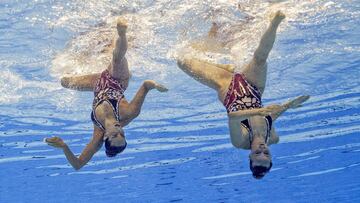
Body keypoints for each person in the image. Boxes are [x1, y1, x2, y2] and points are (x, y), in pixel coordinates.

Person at [176, 11, 309, 179]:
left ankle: (219, 54)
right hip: (254, 88)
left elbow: (232, 117)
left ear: (250, 156)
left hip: (227, 87)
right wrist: (288, 106)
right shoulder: (273, 138)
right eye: (266, 155)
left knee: (181, 60)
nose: (262, 151)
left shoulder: (240, 142)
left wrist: (258, 112)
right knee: (260, 58)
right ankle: (276, 21)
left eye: (257, 155)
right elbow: (270, 117)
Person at [45, 18, 168, 170]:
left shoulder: (98, 135)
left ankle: (95, 41)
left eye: (115, 135)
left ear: (105, 137)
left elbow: (78, 164)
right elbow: (146, 85)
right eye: (122, 135)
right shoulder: (129, 113)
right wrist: (156, 85)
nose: (120, 131)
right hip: (117, 81)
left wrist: (64, 146)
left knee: (64, 81)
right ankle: (122, 32)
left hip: (97, 84)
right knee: (117, 58)